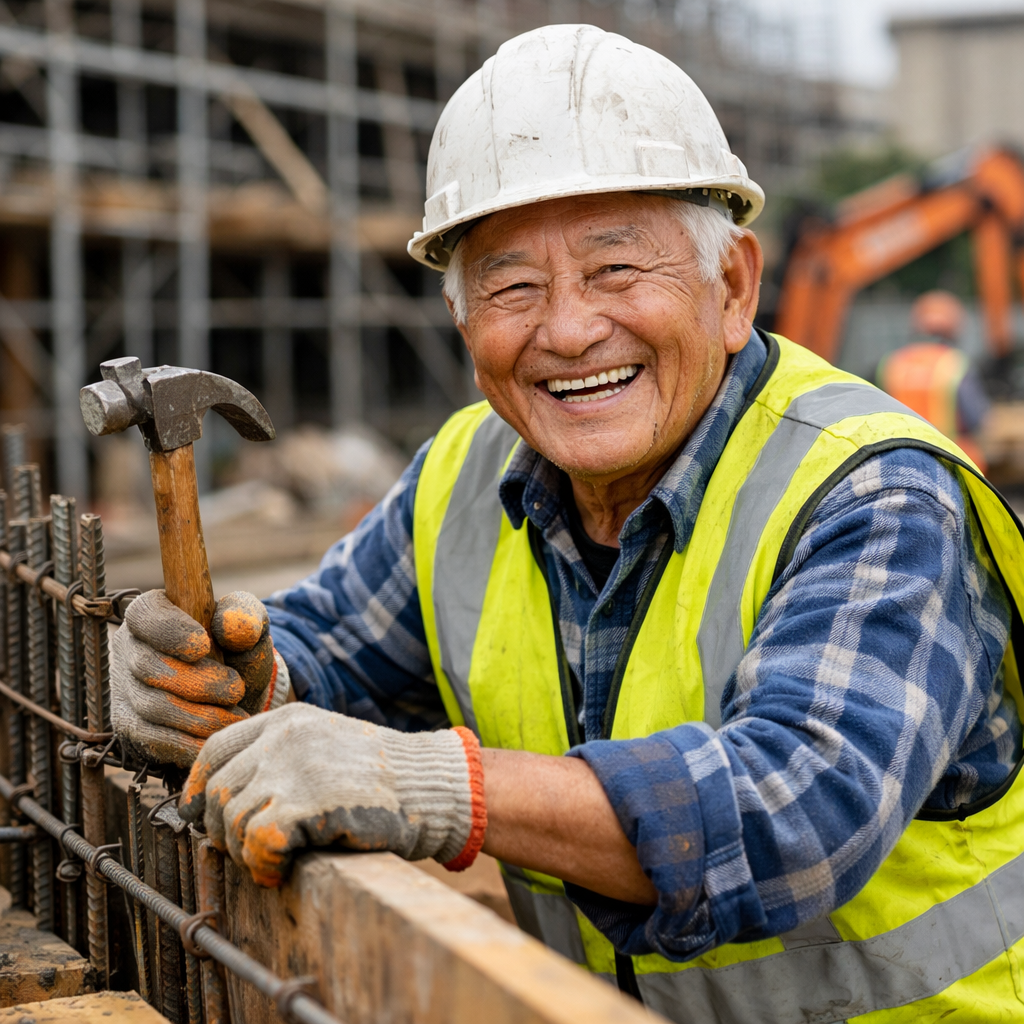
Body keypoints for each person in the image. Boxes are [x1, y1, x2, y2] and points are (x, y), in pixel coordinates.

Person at [109, 25, 1024, 1024]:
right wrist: (219, 678)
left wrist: (434, 784)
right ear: (465, 327)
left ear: (733, 289)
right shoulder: (464, 473)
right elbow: (324, 652)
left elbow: (794, 813)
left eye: (617, 269)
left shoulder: (874, 493)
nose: (569, 328)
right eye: (511, 285)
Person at [877, 289, 991, 470]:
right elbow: (975, 418)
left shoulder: (892, 363)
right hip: (952, 462)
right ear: (953, 327)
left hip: (900, 462)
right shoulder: (954, 363)